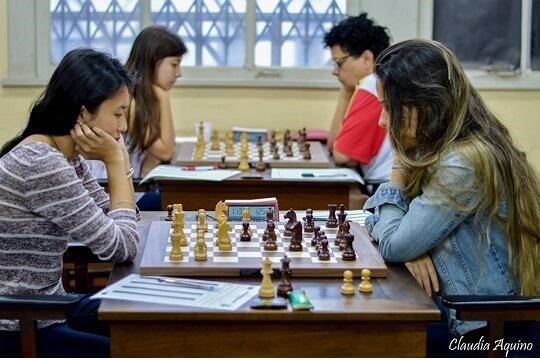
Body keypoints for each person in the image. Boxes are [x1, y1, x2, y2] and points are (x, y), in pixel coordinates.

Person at [364, 39, 539, 356]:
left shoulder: (463, 162)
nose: (382, 121)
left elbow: (392, 241)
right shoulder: (452, 149)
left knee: (372, 341)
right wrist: (412, 247)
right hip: (471, 316)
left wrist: (397, 172)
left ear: (424, 104)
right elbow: (379, 222)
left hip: (492, 333)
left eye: (388, 107)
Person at [0, 48, 139, 357]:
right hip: (21, 325)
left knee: (150, 325)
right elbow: (123, 244)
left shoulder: (62, 154)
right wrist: (116, 163)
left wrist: (120, 162)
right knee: (141, 346)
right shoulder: (41, 163)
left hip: (46, 310)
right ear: (82, 112)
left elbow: (124, 217)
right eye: (117, 113)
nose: (124, 126)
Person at [323, 13, 393, 189]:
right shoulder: (382, 80)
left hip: (384, 187)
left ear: (367, 59)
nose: (335, 71)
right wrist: (346, 90)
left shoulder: (373, 84)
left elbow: (341, 154)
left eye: (339, 63)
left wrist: (348, 91)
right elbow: (335, 145)